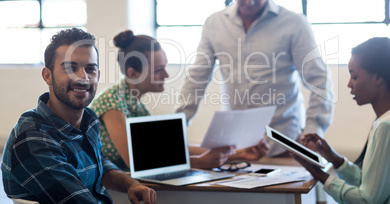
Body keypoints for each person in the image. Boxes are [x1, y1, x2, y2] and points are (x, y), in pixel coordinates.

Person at [175, 0, 334, 156]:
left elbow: (319, 80)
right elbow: (196, 81)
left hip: (286, 144)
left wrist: (312, 133)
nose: (249, 1)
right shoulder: (214, 24)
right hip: (235, 146)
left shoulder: (295, 24)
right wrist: (176, 128)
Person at [1, 28, 156, 204]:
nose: (83, 78)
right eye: (70, 68)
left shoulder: (88, 120)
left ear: (98, 75)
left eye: (90, 69)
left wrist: (131, 185)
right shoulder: (33, 137)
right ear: (47, 75)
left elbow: (98, 164)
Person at [91, 30, 269, 171]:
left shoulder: (136, 105)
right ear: (133, 74)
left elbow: (171, 150)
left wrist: (239, 153)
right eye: (158, 70)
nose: (166, 74)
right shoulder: (112, 104)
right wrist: (199, 162)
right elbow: (137, 162)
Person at [294, 37, 390, 203]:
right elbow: (371, 184)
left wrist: (318, 174)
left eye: (355, 76)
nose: (349, 84)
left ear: (378, 77)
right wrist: (334, 158)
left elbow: (367, 199)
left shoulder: (387, 126)